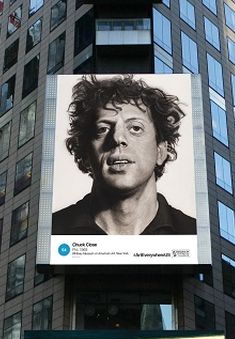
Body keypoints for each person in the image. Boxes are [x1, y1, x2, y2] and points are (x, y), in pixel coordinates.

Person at [52, 74, 196, 237]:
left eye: (135, 128)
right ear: (85, 155)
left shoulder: (194, 234)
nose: (117, 138)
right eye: (102, 129)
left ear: (161, 151)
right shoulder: (51, 231)